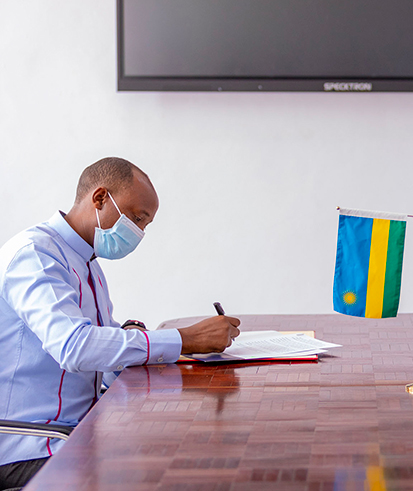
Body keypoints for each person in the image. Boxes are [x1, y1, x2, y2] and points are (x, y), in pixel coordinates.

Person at [0, 157, 241, 489]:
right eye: (137, 218)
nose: (139, 232)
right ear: (100, 198)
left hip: (76, 431)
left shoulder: (88, 264)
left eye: (146, 224)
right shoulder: (36, 256)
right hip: (28, 445)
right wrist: (183, 339)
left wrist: (151, 347)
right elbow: (75, 347)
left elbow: (102, 355)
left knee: (186, 449)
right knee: (154, 473)